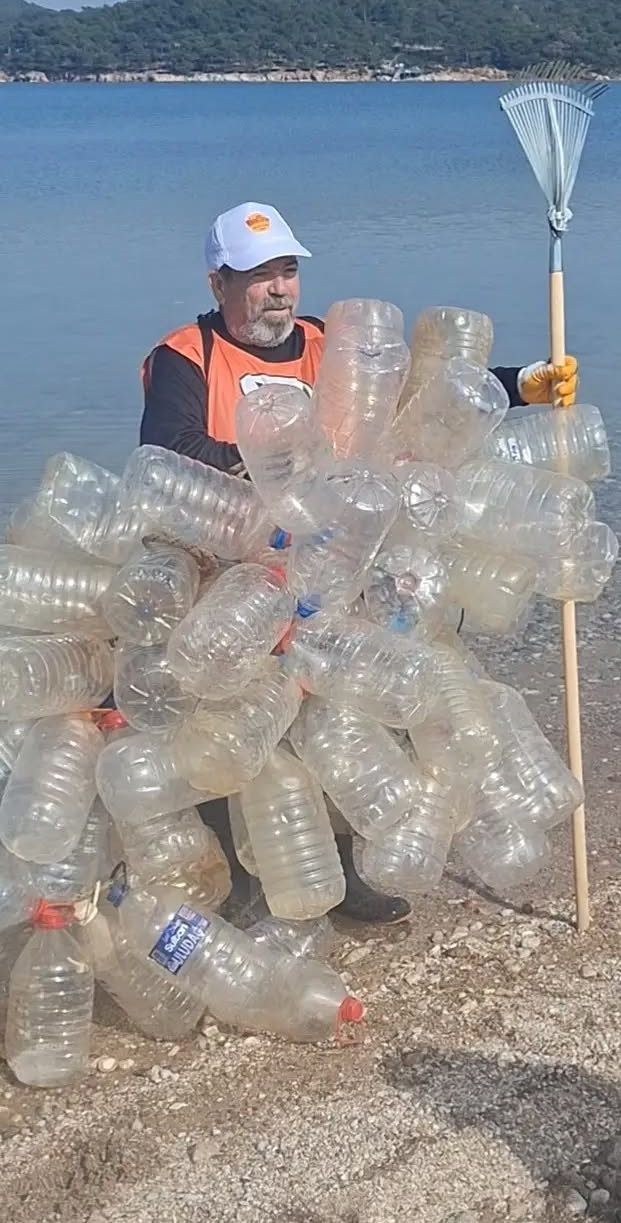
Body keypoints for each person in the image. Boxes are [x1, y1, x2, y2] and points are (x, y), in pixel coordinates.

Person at [139, 201, 578, 924]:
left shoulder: (330, 342)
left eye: (287, 270)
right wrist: (283, 470)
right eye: (258, 276)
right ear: (219, 282)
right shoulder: (188, 355)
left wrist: (524, 384)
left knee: (354, 718)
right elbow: (170, 449)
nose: (279, 288)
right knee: (236, 730)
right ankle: (240, 879)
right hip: (232, 576)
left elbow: (423, 409)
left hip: (333, 569)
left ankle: (347, 865)